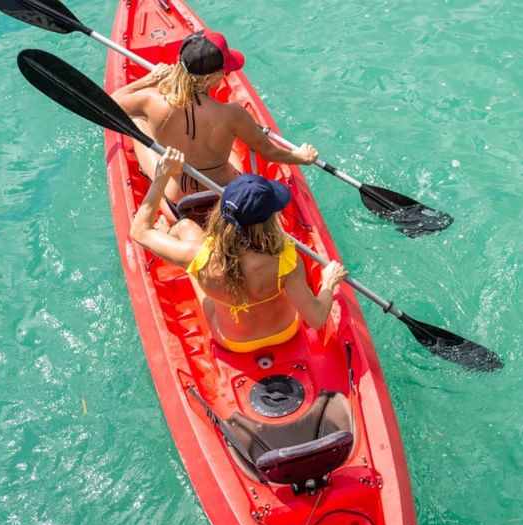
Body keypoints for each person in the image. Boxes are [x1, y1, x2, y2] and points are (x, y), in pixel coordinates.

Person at [130, 147, 347, 352]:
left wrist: (162, 176)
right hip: (286, 331)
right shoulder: (286, 256)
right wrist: (328, 282)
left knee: (186, 230)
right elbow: (317, 319)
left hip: (232, 341)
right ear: (270, 218)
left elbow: (138, 232)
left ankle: (170, 234)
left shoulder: (197, 254)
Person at [112, 29, 318, 222]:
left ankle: (154, 189)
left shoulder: (150, 101)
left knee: (138, 121)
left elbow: (111, 101)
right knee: (229, 149)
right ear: (208, 78)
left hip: (179, 204)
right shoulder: (233, 113)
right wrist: (301, 157)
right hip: (226, 195)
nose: (227, 75)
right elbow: (270, 152)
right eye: (225, 71)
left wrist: (148, 80)